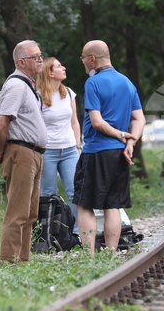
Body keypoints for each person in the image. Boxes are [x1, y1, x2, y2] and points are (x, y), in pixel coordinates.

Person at [73, 40, 145, 253]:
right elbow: (139, 119)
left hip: (96, 151)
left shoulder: (93, 83)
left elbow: (97, 122)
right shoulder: (126, 82)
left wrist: (122, 135)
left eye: (83, 58)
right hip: (119, 154)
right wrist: (130, 142)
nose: (83, 63)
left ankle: (90, 255)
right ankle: (111, 254)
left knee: (84, 204)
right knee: (112, 205)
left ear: (92, 59)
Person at [0, 41, 48, 263]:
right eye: (36, 57)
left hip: (33, 154)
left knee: (30, 214)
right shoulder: (16, 85)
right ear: (22, 62)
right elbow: (0, 123)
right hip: (21, 153)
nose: (41, 60)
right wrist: (2, 152)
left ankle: (22, 261)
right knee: (17, 213)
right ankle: (8, 263)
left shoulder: (29, 86)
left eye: (41, 56)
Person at [36, 57, 82, 228]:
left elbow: (75, 122)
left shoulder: (68, 92)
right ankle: (49, 234)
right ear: (49, 72)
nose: (64, 68)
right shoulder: (38, 96)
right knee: (48, 194)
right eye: (58, 66)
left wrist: (78, 146)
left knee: (75, 192)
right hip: (48, 151)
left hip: (70, 150)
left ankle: (76, 233)